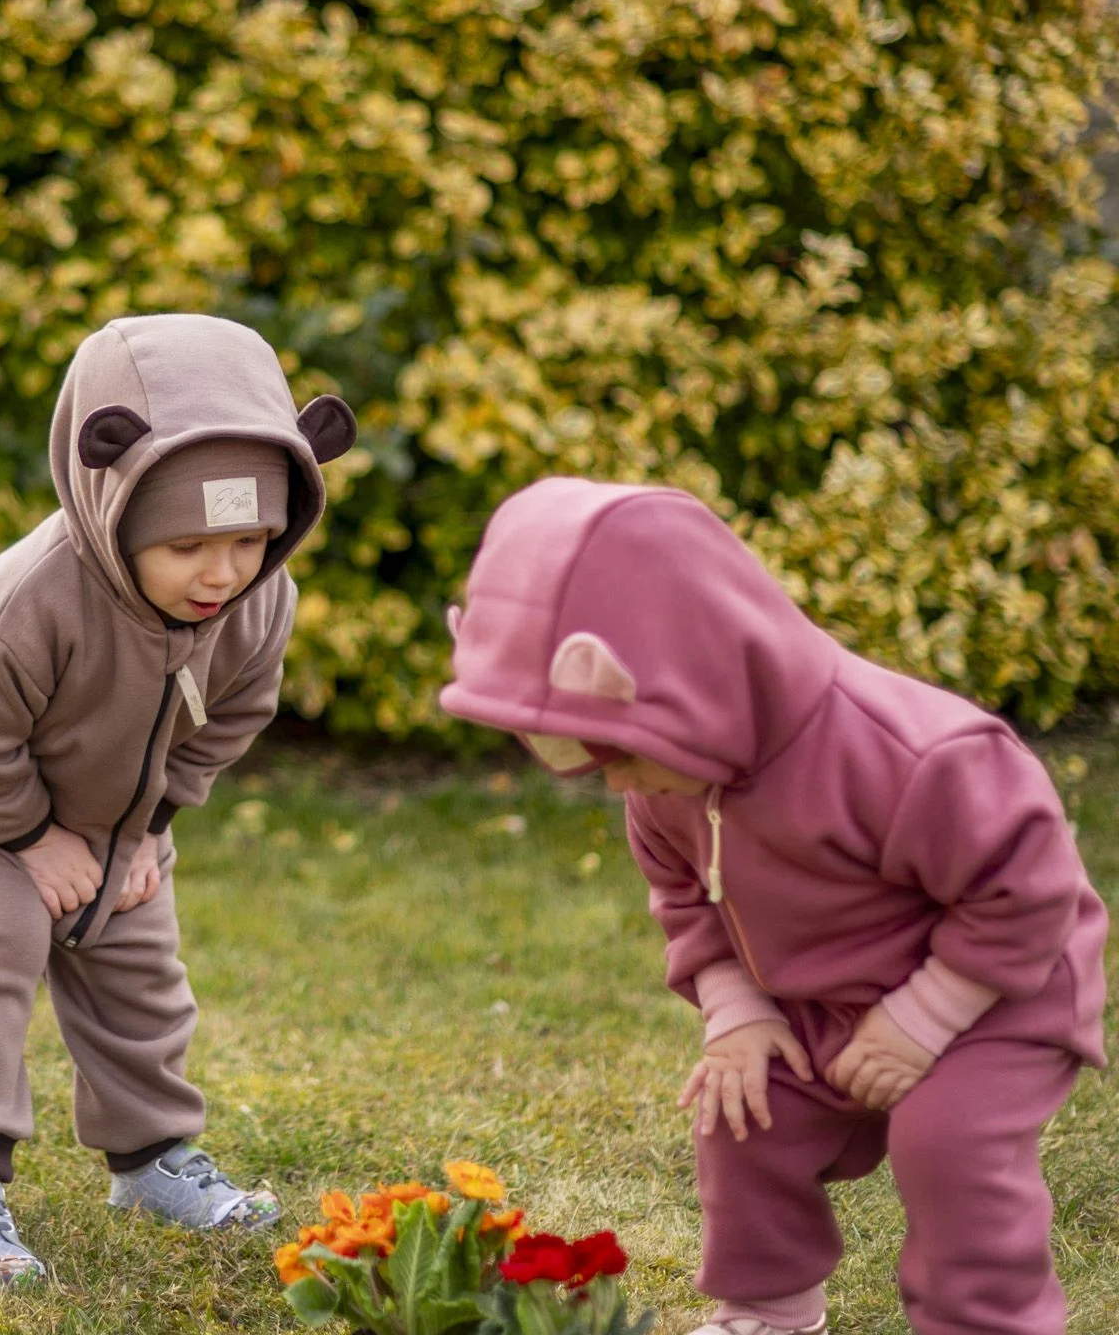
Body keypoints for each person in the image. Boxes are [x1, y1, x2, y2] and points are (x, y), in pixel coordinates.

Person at [439, 478, 1107, 1335]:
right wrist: (738, 1009)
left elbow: (1028, 883)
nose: (611, 781)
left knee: (949, 1146)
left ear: (698, 678)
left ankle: (988, 1321)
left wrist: (923, 1019)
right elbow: (685, 897)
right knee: (741, 1111)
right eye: (566, 751)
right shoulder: (664, 776)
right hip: (821, 994)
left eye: (611, 751)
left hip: (994, 992)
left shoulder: (911, 755)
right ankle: (771, 1311)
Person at [0, 313, 355, 1284]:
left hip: (111, 802)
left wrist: (149, 827)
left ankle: (150, 1162)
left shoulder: (256, 597)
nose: (221, 571)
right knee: (1, 945)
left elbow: (232, 713)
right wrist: (27, 836)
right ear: (113, 500)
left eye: (250, 537)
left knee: (136, 956)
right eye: (187, 543)